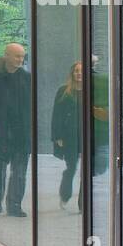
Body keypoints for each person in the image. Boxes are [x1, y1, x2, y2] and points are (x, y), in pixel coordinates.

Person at [0, 43, 31, 218]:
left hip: (21, 132)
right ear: (7, 56)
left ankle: (14, 205)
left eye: (22, 56)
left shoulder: (26, 78)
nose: (20, 60)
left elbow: (30, 106)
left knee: (19, 172)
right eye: (17, 56)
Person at [50, 61, 83, 212]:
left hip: (86, 135)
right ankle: (65, 194)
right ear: (72, 73)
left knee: (87, 171)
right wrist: (57, 136)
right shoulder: (64, 91)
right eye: (76, 70)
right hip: (70, 136)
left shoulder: (91, 91)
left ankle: (83, 203)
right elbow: (56, 115)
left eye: (81, 71)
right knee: (71, 167)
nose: (79, 73)